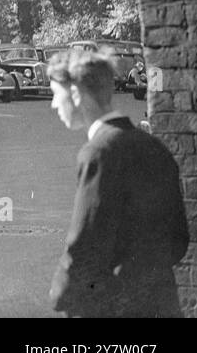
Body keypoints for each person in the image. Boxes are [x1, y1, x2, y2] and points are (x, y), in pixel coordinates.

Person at [47, 48, 189, 318]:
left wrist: (60, 295)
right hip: (162, 302)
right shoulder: (154, 146)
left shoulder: (99, 152)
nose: (54, 104)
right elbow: (177, 239)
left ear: (76, 94)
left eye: (57, 94)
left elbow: (84, 247)